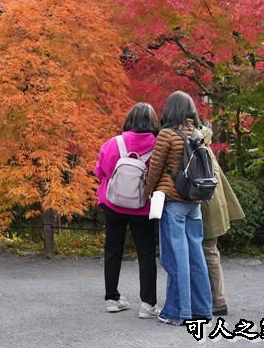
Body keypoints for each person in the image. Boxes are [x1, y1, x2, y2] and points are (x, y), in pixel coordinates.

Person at [145, 91, 212, 325]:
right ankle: (202, 309)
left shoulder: (166, 134)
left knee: (175, 259)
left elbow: (155, 169)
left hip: (173, 202)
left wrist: (147, 193)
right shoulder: (196, 133)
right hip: (194, 202)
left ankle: (178, 312)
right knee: (196, 257)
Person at [93, 102, 160, 318]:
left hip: (114, 204)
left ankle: (112, 298)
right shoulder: (158, 146)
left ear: (129, 119)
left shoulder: (112, 144)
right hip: (144, 206)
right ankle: (147, 305)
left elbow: (99, 172)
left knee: (113, 249)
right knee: (146, 253)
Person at [199, 120, 244, 317]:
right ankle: (217, 299)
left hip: (206, 207)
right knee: (211, 252)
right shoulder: (205, 144)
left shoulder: (195, 145)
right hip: (215, 205)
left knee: (208, 252)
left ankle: (217, 300)